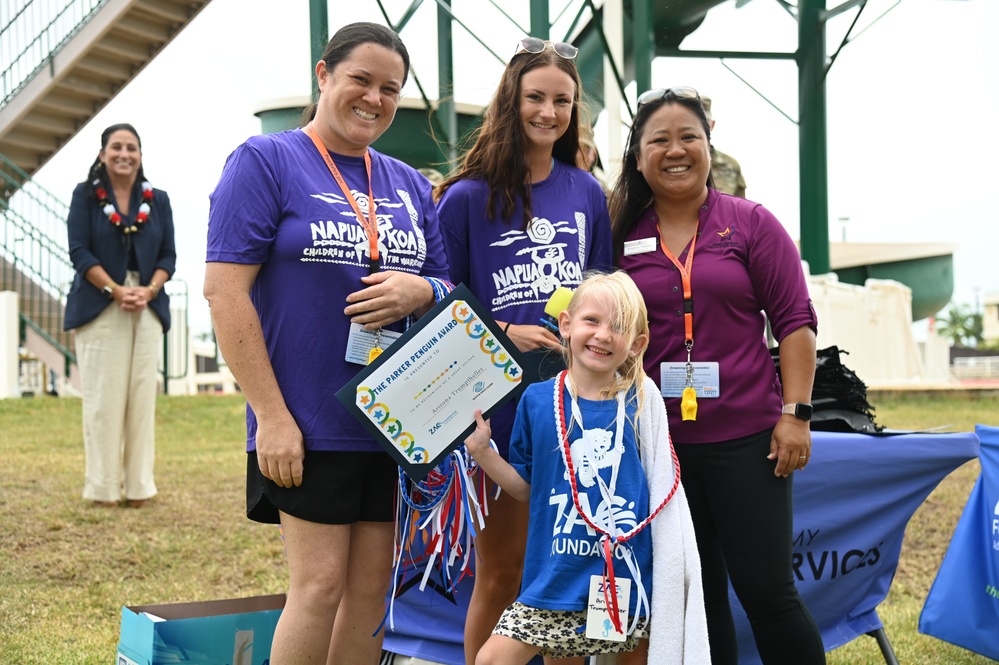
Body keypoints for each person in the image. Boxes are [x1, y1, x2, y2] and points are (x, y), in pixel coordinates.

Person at [204, 22, 451, 664]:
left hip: (394, 421)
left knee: (372, 590)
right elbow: (224, 293)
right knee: (318, 586)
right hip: (309, 420)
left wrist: (420, 291)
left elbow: (447, 283)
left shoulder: (406, 182)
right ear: (324, 76)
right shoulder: (265, 161)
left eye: (390, 89)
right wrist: (272, 416)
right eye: (361, 80)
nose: (375, 99)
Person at [609, 87, 824, 665]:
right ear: (637, 155)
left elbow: (796, 324)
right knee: (693, 602)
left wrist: (795, 414)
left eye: (689, 138)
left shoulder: (751, 223)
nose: (676, 151)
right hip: (659, 447)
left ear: (708, 146)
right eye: (660, 140)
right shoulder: (620, 234)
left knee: (767, 594)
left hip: (748, 442)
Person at [434, 35, 614, 664]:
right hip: (497, 408)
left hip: (574, 407)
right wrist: (503, 330)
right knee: (503, 573)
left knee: (571, 580)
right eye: (535, 97)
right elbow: (439, 302)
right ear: (511, 102)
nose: (548, 112)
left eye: (561, 101)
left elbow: (602, 294)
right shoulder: (464, 199)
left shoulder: (586, 193)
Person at [463, 271, 709, 665]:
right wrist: (484, 454)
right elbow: (528, 487)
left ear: (636, 345)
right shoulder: (538, 400)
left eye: (620, 327)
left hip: (624, 581)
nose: (603, 335)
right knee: (492, 658)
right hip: (554, 577)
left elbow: (662, 485)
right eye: (592, 321)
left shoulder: (642, 403)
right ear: (567, 324)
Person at [64, 123, 175, 509]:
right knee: (103, 400)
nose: (124, 154)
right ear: (102, 154)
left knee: (141, 399)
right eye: (116, 147)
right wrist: (114, 289)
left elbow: (168, 257)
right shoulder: (85, 196)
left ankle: (140, 486)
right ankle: (103, 488)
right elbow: (79, 251)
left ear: (140, 155)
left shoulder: (157, 199)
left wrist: (150, 289)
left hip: (147, 304)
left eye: (132, 147)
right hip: (100, 302)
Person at [701, 95, 746, 198]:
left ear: (712, 124)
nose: (699, 127)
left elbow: (740, 208)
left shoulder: (730, 165)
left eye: (704, 122)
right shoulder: (675, 162)